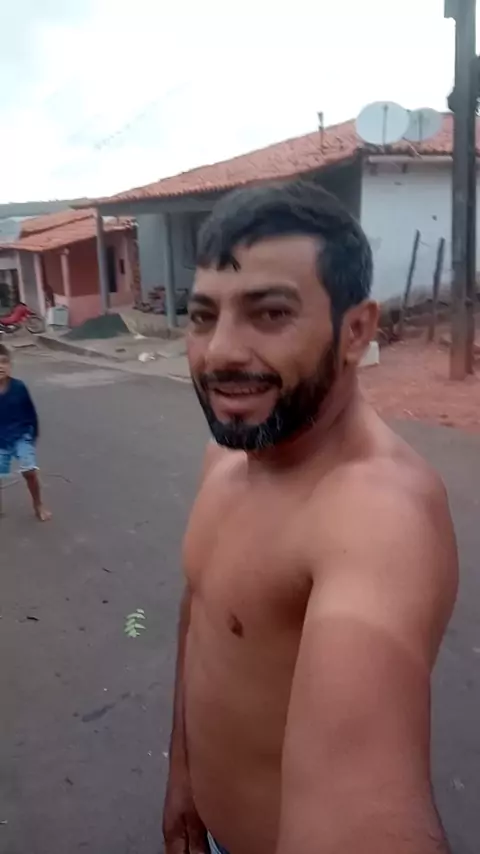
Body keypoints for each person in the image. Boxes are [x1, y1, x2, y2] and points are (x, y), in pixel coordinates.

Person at [163, 181, 458, 854]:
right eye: (203, 315)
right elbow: (201, 615)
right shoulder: (227, 454)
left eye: (269, 313)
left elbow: (362, 810)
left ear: (355, 331)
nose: (220, 352)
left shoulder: (377, 514)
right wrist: (183, 777)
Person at [0, 343, 51, 521]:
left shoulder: (19, 387)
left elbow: (31, 413)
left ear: (10, 365)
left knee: (29, 471)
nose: (0, 366)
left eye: (4, 362)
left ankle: (38, 504)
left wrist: (32, 437)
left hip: (21, 435)